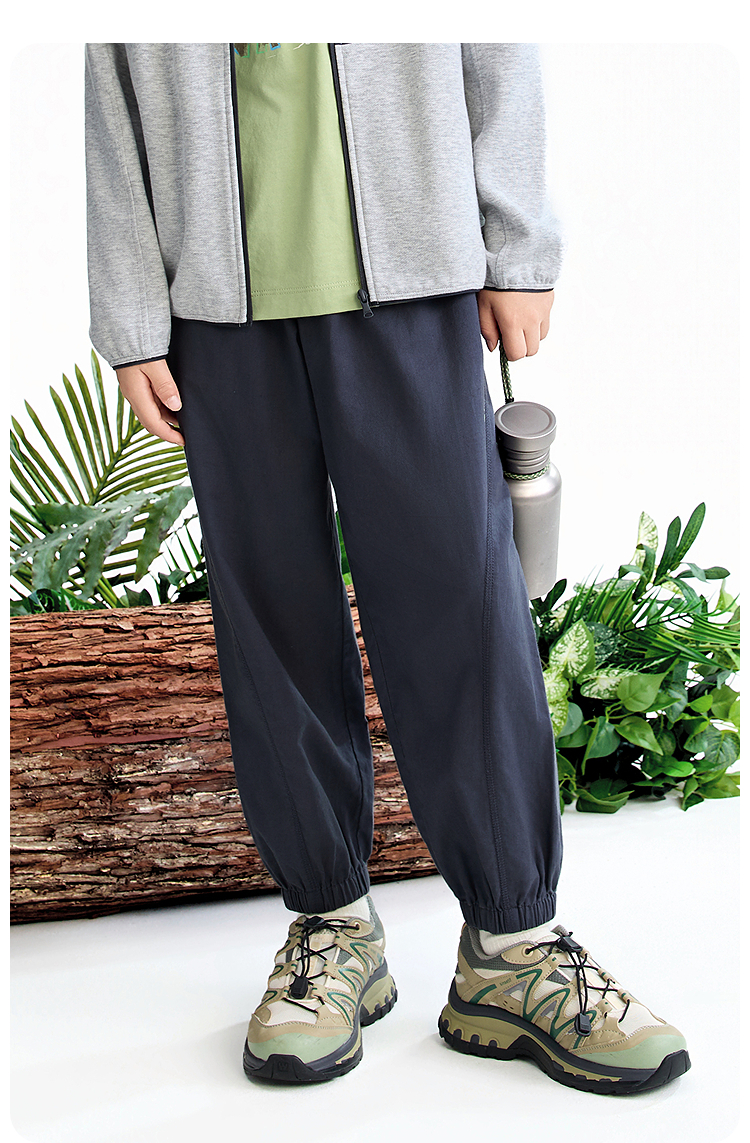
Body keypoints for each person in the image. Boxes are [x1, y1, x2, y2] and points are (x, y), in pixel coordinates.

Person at [84, 41, 690, 1094]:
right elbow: (114, 86)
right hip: (213, 309)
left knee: (461, 605)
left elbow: (493, 44)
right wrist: (131, 315)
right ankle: (333, 928)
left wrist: (517, 246)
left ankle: (514, 947)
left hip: (415, 274)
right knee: (270, 623)